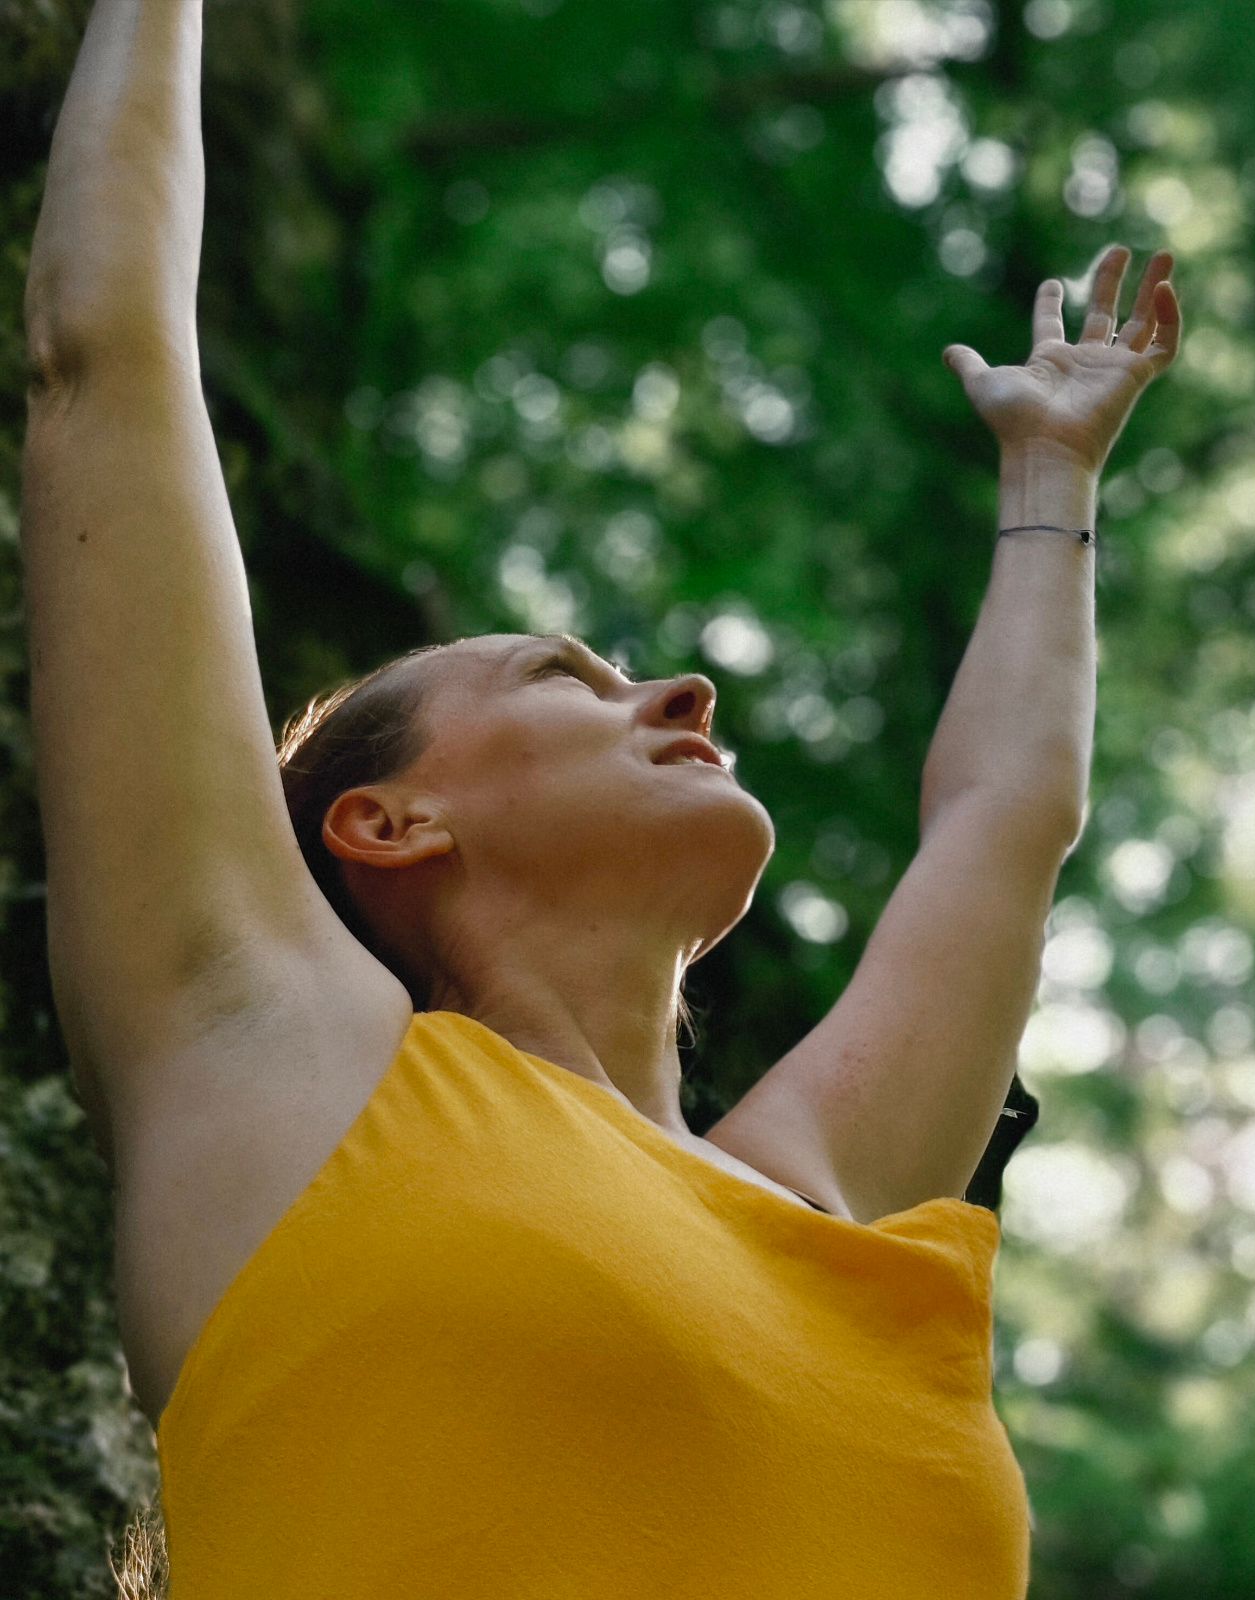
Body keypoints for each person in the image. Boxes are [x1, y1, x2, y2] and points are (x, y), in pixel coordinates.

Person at [22, 3, 1179, 1596]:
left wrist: (1051, 484)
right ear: (388, 823)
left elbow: (1007, 822)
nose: (686, 692)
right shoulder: (268, 1064)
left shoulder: (818, 1202)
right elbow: (109, 357)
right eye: (569, 675)